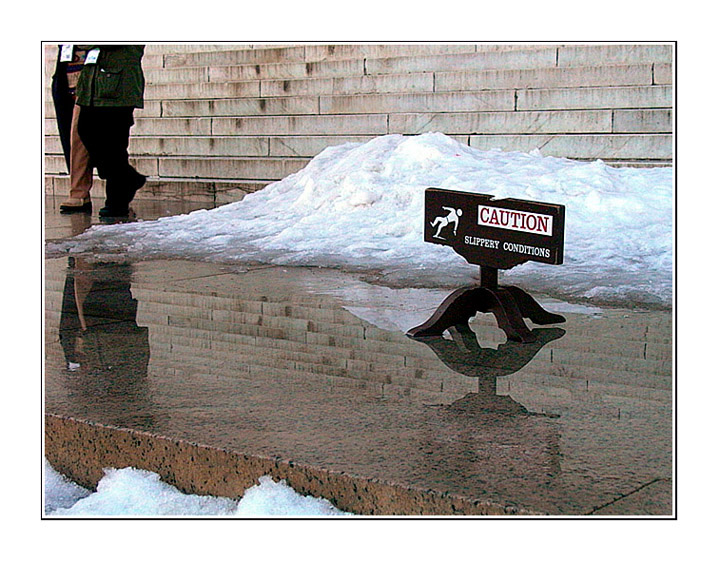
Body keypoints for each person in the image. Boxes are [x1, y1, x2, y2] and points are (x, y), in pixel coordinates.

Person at [75, 45, 146, 218]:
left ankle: (117, 204)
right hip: (94, 84)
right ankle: (128, 178)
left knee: (115, 145)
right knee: (86, 130)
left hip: (118, 86)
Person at [51, 45, 94, 213]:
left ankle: (79, 192)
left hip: (93, 77)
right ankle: (80, 191)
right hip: (65, 77)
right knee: (69, 137)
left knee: (78, 135)